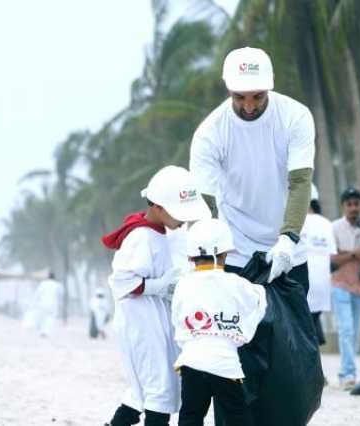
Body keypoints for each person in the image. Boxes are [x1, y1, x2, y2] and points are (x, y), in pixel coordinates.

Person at [189, 46, 314, 282]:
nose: (249, 106)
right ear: (228, 88)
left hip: (288, 251)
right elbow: (205, 203)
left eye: (258, 96)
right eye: (239, 97)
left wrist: (288, 239)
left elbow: (300, 182)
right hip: (235, 256)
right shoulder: (209, 132)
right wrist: (202, 257)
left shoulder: (296, 116)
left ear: (270, 85)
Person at [102, 165, 211, 426]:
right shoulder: (140, 236)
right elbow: (123, 281)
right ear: (159, 207)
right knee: (158, 388)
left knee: (144, 388)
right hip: (141, 321)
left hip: (155, 318)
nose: (184, 220)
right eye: (180, 214)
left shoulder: (164, 232)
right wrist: (159, 286)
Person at [172, 218, 267, 426]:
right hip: (225, 365)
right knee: (237, 418)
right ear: (225, 253)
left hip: (191, 362)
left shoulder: (182, 285)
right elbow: (259, 302)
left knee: (190, 417)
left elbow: (177, 319)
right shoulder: (237, 283)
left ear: (189, 255)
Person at [330, 187, 360, 390]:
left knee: (355, 332)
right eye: (349, 204)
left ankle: (347, 371)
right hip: (340, 284)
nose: (353, 207)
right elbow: (331, 261)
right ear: (343, 206)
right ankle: (347, 374)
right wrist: (354, 254)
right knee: (347, 329)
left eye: (356, 203)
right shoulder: (334, 228)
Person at [301, 184, 337, 353]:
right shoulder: (326, 224)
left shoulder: (298, 222)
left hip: (303, 284)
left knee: (304, 331)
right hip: (322, 285)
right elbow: (331, 255)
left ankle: (312, 373)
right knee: (312, 327)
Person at [29, 271, 63, 337]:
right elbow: (60, 295)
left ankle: (41, 330)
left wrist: (33, 303)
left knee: (42, 318)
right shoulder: (57, 285)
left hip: (43, 303)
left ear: (48, 277)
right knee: (50, 319)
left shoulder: (43, 283)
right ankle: (46, 331)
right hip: (53, 305)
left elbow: (37, 294)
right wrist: (60, 305)